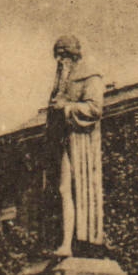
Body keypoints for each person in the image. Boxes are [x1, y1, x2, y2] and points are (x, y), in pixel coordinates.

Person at [47, 35, 104, 256]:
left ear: (73, 55)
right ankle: (64, 243)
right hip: (63, 141)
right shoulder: (61, 81)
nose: (59, 61)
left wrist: (66, 107)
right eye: (57, 56)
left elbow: (95, 109)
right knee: (62, 190)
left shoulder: (90, 75)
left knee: (76, 190)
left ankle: (74, 243)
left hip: (82, 144)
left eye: (63, 56)